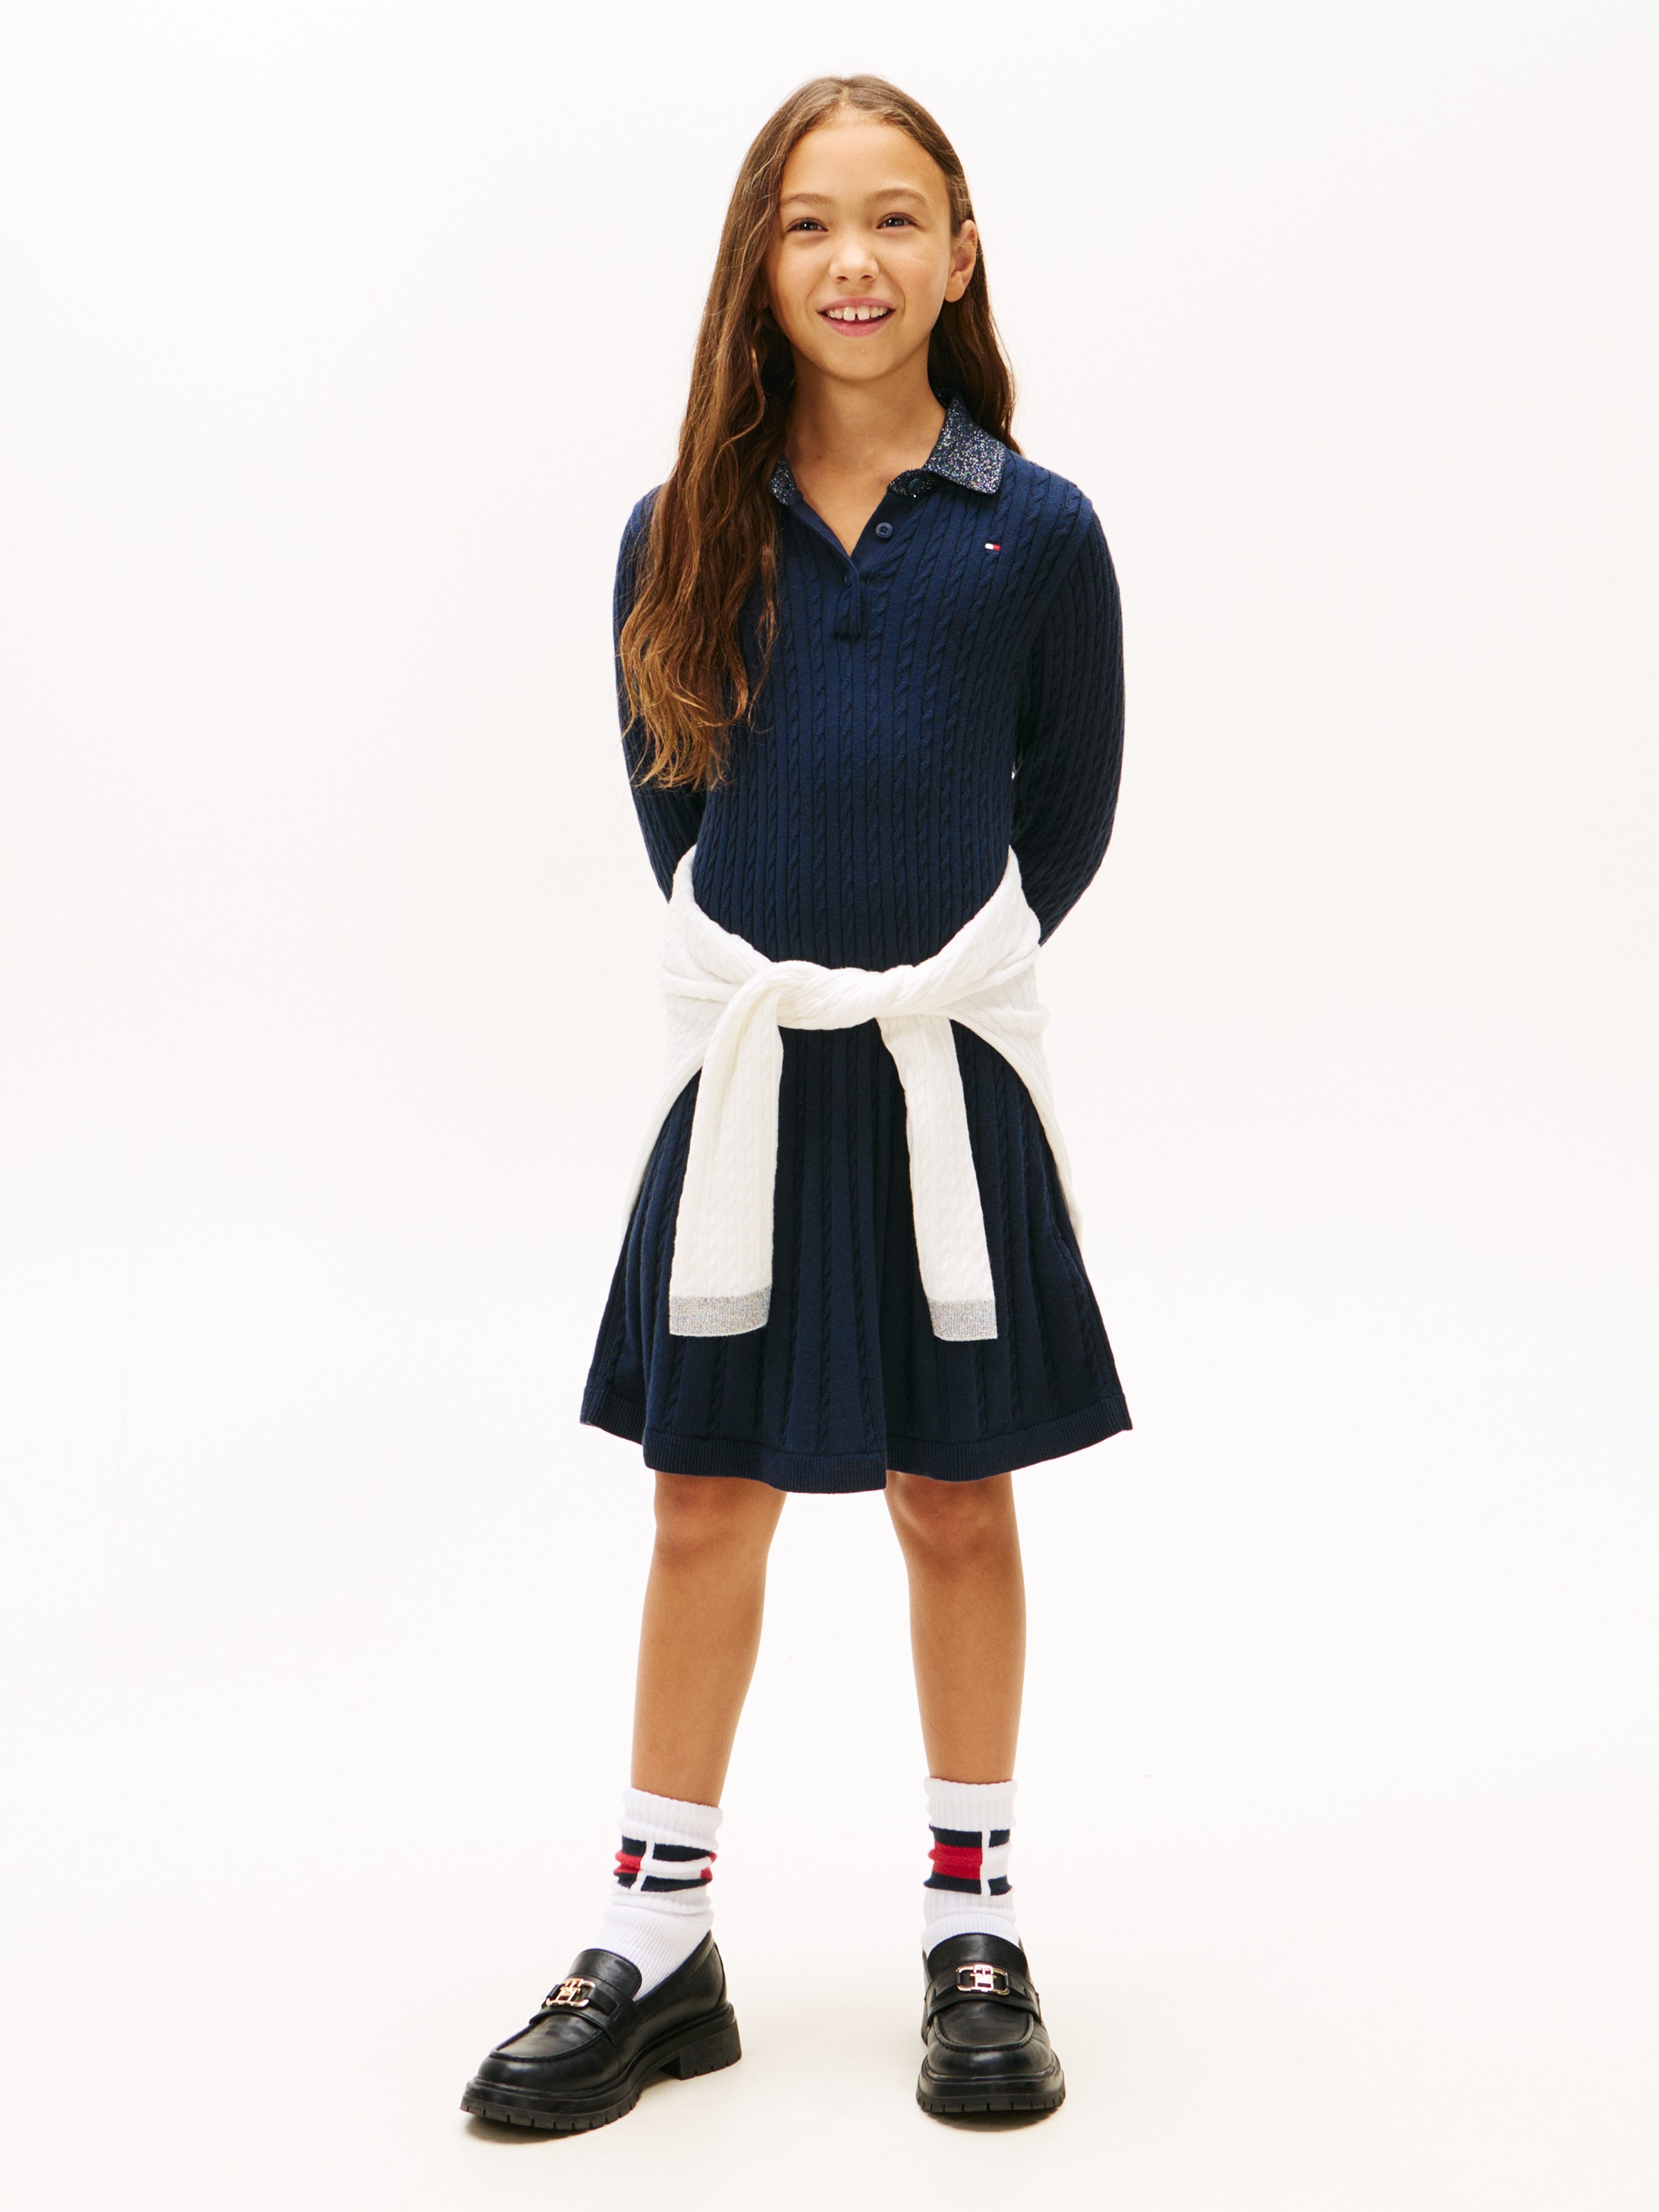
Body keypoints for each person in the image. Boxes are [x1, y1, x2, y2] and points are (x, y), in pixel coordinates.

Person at [462, 72, 1130, 2133]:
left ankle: (974, 1921)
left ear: (961, 253)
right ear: (759, 263)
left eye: (898, 217)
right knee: (702, 1493)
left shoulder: (1033, 530)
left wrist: (916, 985)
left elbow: (1068, 816)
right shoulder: (680, 529)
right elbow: (673, 813)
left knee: (958, 1491)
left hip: (942, 1084)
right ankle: (655, 1931)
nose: (857, 259)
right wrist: (796, 986)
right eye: (812, 222)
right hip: (748, 1087)